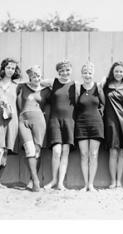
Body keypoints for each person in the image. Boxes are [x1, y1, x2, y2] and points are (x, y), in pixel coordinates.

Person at [0, 58, 21, 191]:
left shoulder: (17, 86)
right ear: (3, 68)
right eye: (8, 68)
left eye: (13, 68)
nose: (10, 70)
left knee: (5, 151)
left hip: (12, 119)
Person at [43, 60, 77, 190]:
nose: (65, 73)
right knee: (56, 151)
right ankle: (53, 179)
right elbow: (37, 81)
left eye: (67, 70)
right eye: (61, 71)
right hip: (55, 120)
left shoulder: (76, 85)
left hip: (69, 121)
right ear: (58, 72)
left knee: (65, 151)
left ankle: (60, 183)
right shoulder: (53, 82)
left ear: (71, 71)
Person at [17, 65, 51, 192]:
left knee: (37, 150)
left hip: (39, 120)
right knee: (29, 150)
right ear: (29, 78)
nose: (36, 78)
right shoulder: (23, 87)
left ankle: (32, 180)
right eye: (33, 76)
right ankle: (36, 180)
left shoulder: (46, 90)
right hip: (23, 120)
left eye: (38, 76)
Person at [102, 61, 123, 189]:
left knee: (121, 152)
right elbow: (102, 102)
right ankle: (112, 181)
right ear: (112, 72)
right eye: (116, 71)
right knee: (112, 152)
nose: (118, 74)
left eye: (121, 71)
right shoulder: (106, 86)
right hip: (110, 121)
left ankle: (119, 181)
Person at [75, 62, 105, 192]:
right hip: (81, 124)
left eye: (90, 73)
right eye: (85, 73)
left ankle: (91, 184)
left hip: (96, 124)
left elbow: (104, 104)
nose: (88, 75)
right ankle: (85, 184)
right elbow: (75, 106)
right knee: (84, 154)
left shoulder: (98, 88)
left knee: (93, 154)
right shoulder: (77, 88)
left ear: (93, 74)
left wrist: (100, 114)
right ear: (82, 74)